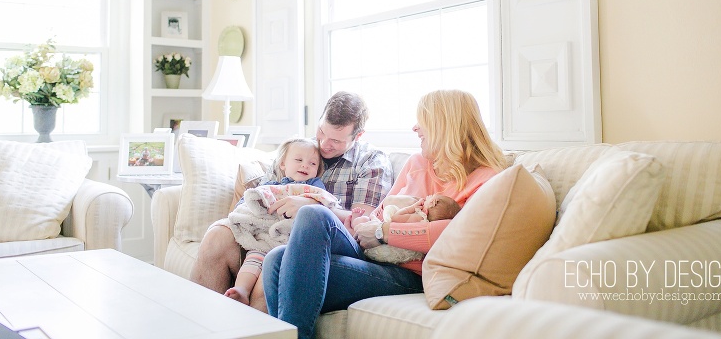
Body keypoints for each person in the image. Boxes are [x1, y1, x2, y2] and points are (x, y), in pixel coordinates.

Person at [262, 89, 507, 339]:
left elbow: (457, 234)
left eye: (422, 121)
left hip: (412, 274)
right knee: (284, 248)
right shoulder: (416, 164)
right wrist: (363, 221)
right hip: (372, 254)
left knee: (286, 252)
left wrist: (383, 232)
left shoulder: (489, 179)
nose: (415, 128)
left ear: (445, 126)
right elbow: (381, 212)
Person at [189, 91, 393, 310]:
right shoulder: (302, 149)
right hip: (269, 231)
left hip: (317, 246)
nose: (324, 144)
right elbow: (264, 191)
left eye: (335, 140)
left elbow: (360, 230)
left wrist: (312, 206)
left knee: (272, 268)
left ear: (358, 136)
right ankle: (201, 324)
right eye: (321, 131)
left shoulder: (371, 162)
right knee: (216, 236)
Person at [225, 137, 331, 305]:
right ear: (283, 164)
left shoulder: (314, 185)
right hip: (267, 234)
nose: (305, 165)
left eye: (312, 164)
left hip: (291, 238)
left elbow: (325, 202)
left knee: (269, 263)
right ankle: (241, 290)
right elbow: (249, 201)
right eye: (298, 160)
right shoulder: (272, 184)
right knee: (254, 256)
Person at [354, 193, 461, 264]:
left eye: (431, 197)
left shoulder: (418, 218)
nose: (426, 197)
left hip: (380, 249)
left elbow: (395, 218)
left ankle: (352, 224)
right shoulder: (421, 221)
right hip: (377, 242)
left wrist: (410, 208)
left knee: (360, 221)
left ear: (428, 209)